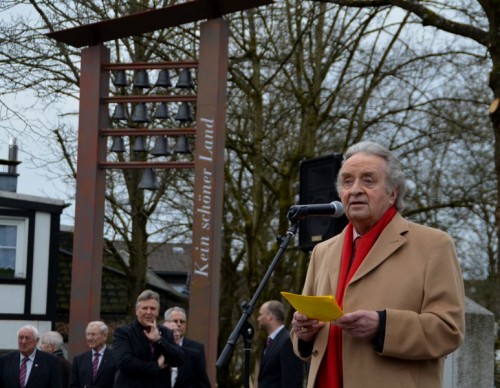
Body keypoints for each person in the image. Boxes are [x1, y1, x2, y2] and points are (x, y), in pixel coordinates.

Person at [291, 141, 465, 388]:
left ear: (393, 192)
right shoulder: (322, 251)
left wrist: (383, 326)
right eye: (347, 181)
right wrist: (303, 334)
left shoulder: (434, 245)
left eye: (368, 181)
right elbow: (305, 334)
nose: (355, 190)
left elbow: (449, 331)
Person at [113, 289, 184, 387]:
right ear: (137, 311)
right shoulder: (124, 332)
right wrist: (156, 366)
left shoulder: (166, 332)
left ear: (158, 312)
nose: (149, 312)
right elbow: (124, 362)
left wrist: (159, 340)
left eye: (153, 308)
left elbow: (179, 359)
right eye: (145, 308)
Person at [257, 300, 304, 388]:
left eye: (260, 314)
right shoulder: (270, 342)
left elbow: (292, 381)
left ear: (269, 317)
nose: (258, 318)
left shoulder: (287, 341)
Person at [162, 319, 211, 388]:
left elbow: (203, 384)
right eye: (171, 331)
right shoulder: (152, 355)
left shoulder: (193, 356)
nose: (177, 334)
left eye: (178, 331)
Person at [70, 321, 116, 388]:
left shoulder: (115, 358)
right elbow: (73, 385)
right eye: (88, 334)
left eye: (93, 334)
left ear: (104, 336)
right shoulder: (78, 360)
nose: (89, 338)